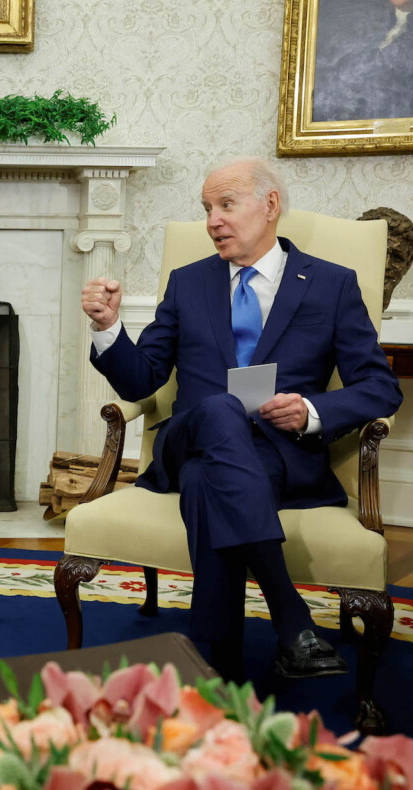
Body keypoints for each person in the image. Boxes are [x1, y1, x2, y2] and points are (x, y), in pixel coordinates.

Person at [80, 157, 403, 682]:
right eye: (207, 209)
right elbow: (141, 381)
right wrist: (109, 327)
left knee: (209, 482)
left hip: (276, 454)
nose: (212, 221)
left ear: (270, 205)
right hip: (189, 438)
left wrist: (312, 411)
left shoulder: (332, 285)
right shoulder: (188, 284)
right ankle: (290, 615)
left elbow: (380, 387)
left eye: (226, 205)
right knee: (218, 407)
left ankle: (220, 666)